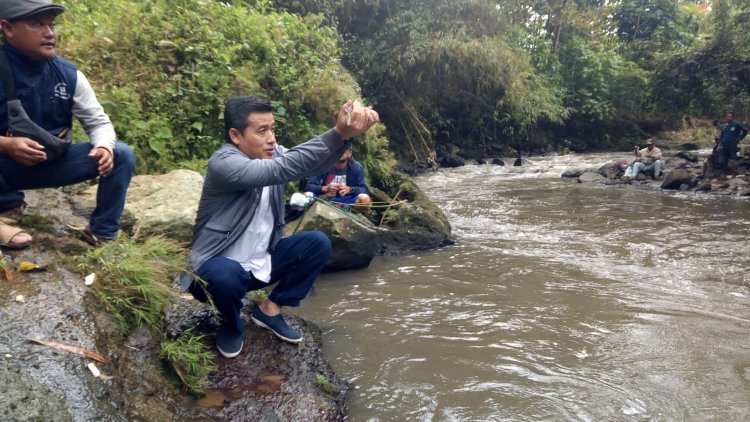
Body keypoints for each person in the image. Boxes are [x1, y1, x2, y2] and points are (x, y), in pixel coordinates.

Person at [184, 96, 378, 358]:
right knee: (225, 273)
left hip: (259, 264)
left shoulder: (274, 154)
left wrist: (347, 136)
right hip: (214, 274)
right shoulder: (224, 163)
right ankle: (231, 322)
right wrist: (337, 132)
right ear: (235, 135)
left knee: (317, 243)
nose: (272, 138)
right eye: (262, 130)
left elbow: (311, 164)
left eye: (273, 129)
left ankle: (269, 309)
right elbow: (283, 168)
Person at [0, 0, 135, 248]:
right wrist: (6, 145)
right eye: (37, 24)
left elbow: (98, 122)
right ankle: (7, 206)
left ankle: (102, 233)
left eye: (52, 24)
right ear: (7, 29)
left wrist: (104, 147)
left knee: (121, 154)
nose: (50, 33)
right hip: (6, 167)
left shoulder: (68, 75)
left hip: (53, 163)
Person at [304, 144, 372, 207]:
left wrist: (349, 189)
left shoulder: (356, 167)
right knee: (306, 195)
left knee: (365, 199)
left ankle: (348, 213)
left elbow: (364, 190)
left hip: (345, 201)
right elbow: (309, 186)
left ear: (350, 153)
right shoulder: (323, 163)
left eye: (344, 149)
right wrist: (326, 188)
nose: (341, 151)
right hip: (322, 197)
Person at [718, 111, 748, 177]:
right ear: (726, 117)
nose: (729, 118)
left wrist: (740, 138)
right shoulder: (724, 126)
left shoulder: (737, 125)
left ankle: (733, 174)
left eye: (730, 116)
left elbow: (745, 130)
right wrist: (719, 145)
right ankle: (724, 174)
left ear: (733, 117)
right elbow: (721, 136)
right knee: (724, 159)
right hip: (724, 144)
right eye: (728, 116)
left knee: (733, 159)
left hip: (732, 144)